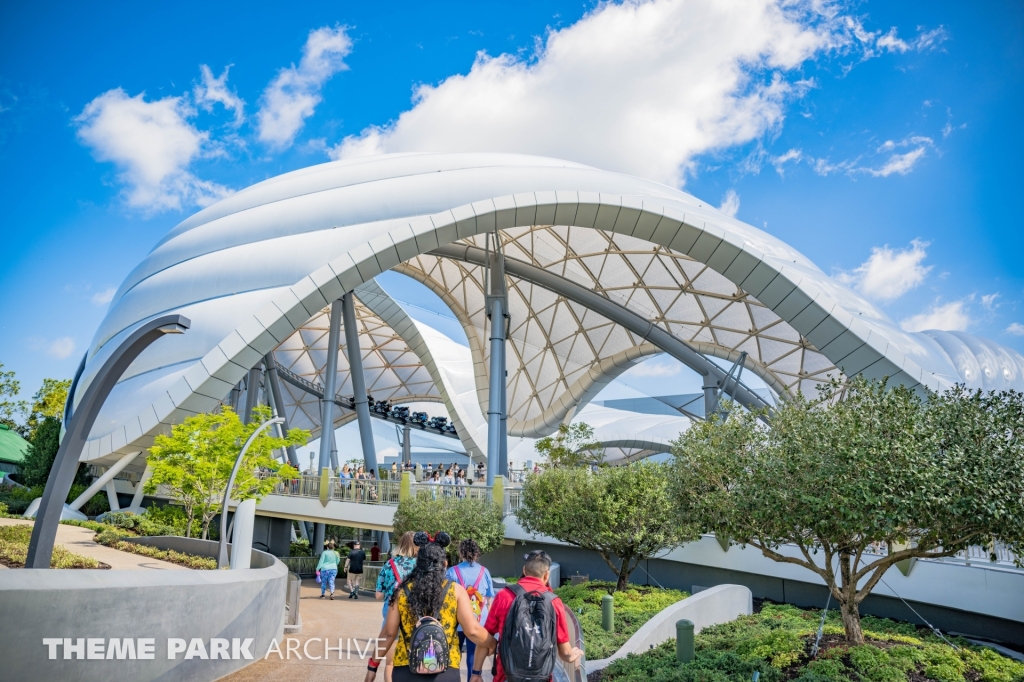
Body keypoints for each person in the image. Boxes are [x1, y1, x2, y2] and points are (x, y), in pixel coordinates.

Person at [364, 533, 496, 682]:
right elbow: (472, 631)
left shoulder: (402, 592)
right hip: (445, 669)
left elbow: (388, 634)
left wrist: (372, 666)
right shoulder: (456, 591)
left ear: (418, 563)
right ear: (445, 564)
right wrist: (492, 643)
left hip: (406, 669)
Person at [484, 550, 582, 682]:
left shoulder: (504, 595)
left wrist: (476, 672)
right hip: (541, 678)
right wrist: (573, 655)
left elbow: (485, 635)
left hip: (506, 675)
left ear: (524, 570)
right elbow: (565, 653)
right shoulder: (554, 602)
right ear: (547, 575)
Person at [446, 539, 495, 681]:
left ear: (461, 553)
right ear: (477, 553)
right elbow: (489, 599)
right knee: (473, 657)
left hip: (457, 620)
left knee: (453, 655)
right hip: (478, 621)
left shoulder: (452, 572)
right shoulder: (484, 572)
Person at [375, 531, 418, 682]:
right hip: (415, 613)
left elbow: (378, 595)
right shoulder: (421, 566)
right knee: (416, 661)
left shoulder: (389, 565)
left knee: (390, 663)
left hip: (390, 610)